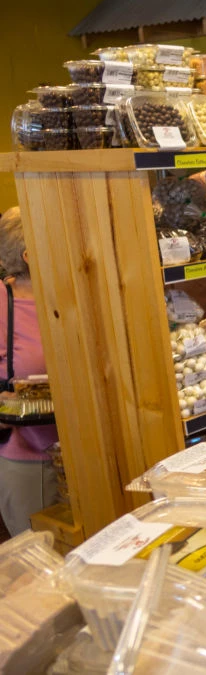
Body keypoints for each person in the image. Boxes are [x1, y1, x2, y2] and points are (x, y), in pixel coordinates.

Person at [0, 207, 59, 535]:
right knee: (45, 564)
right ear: (29, 255)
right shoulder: (3, 303)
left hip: (88, 453)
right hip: (30, 464)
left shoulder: (70, 295)